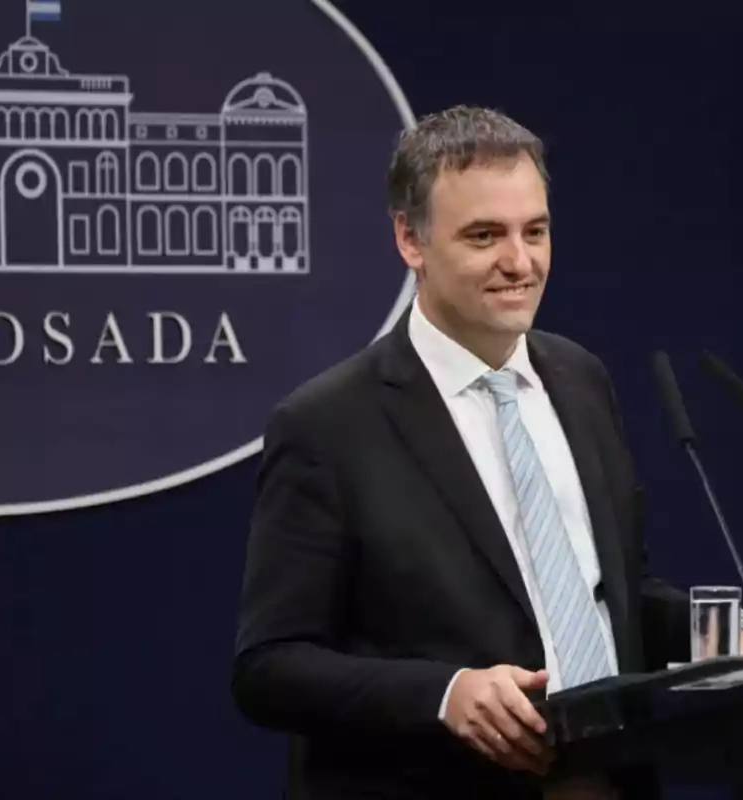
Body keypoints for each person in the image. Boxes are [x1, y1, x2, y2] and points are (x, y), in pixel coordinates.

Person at [232, 105, 699, 800]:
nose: (520, 262)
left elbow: (608, 596)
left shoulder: (581, 379)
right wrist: (445, 695)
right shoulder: (328, 425)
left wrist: (713, 637)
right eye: (485, 236)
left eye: (534, 231)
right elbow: (270, 667)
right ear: (409, 240)